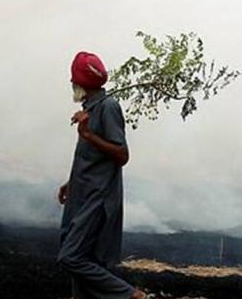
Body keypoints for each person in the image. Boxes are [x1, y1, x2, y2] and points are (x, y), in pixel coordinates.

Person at [56, 51, 148, 299]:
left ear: (82, 82)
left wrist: (89, 136)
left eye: (73, 79)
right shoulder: (90, 109)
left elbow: (122, 155)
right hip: (81, 193)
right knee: (82, 257)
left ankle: (131, 295)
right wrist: (71, 182)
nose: (71, 84)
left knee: (71, 257)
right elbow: (91, 158)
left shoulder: (108, 107)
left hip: (98, 197)